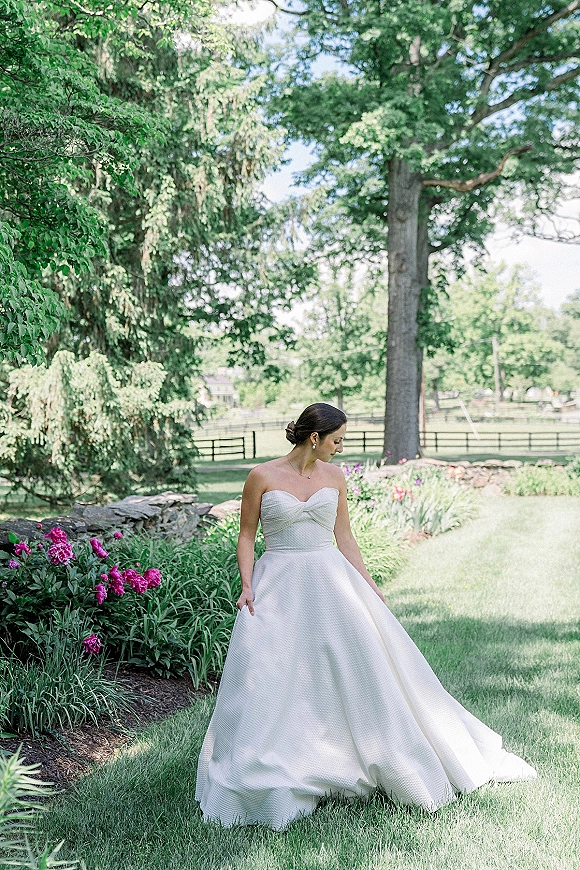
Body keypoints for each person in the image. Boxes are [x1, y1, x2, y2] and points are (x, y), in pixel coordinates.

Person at [195, 402, 536, 830]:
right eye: (338, 440)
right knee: (274, 674)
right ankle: (278, 759)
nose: (342, 448)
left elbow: (345, 537)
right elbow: (246, 535)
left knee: (357, 669)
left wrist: (369, 587)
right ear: (315, 437)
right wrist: (247, 585)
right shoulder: (261, 476)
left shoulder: (335, 477)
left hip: (330, 581)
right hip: (278, 582)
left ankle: (362, 749)